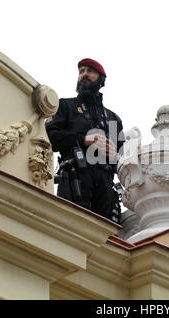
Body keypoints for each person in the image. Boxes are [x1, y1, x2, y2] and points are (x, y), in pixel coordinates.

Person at [46, 58, 124, 223]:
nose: (85, 75)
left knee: (107, 236)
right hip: (76, 178)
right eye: (81, 71)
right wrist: (84, 140)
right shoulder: (65, 106)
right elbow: (50, 136)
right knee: (71, 228)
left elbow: (125, 161)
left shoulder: (113, 119)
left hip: (105, 184)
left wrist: (116, 155)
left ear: (101, 79)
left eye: (90, 71)